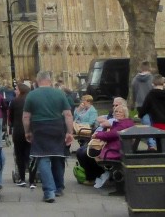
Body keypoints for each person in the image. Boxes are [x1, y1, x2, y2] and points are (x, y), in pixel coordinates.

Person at [22, 70, 75, 204]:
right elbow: (68, 115)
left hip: (39, 127)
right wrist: (70, 132)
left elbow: (26, 117)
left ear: (37, 81)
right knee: (58, 156)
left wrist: (27, 131)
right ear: (50, 80)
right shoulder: (59, 93)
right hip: (57, 126)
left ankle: (49, 191)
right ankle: (58, 187)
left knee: (42, 158)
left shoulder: (31, 95)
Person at [76, 103, 135, 188]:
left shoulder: (124, 124)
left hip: (115, 151)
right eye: (116, 112)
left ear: (125, 114)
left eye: (120, 112)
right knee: (82, 151)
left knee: (88, 154)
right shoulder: (122, 122)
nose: (118, 113)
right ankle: (94, 176)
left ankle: (94, 177)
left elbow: (111, 135)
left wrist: (97, 135)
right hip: (117, 148)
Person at [8, 82, 32, 188]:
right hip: (31, 131)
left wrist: (12, 124)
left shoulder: (14, 101)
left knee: (19, 156)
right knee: (30, 155)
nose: (15, 91)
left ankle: (22, 179)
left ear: (21, 90)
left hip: (18, 131)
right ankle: (32, 180)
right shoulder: (32, 101)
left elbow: (10, 118)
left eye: (16, 89)